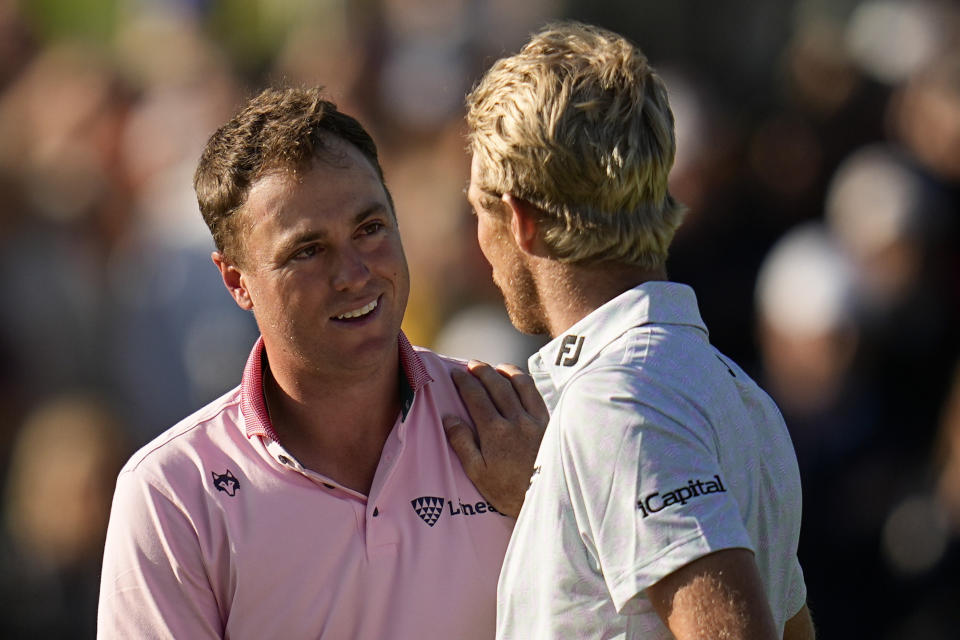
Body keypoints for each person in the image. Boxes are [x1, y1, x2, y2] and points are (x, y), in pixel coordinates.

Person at [97, 87, 543, 639]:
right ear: (236, 281)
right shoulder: (173, 493)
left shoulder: (508, 418)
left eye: (370, 229)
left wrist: (548, 510)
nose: (354, 273)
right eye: (307, 250)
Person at [445, 21, 815, 640]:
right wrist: (546, 496)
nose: (480, 242)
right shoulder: (733, 390)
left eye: (479, 210)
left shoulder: (618, 403)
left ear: (520, 220)